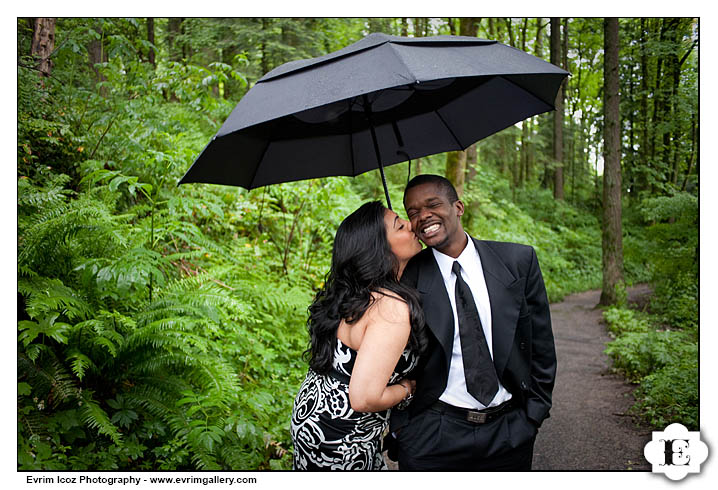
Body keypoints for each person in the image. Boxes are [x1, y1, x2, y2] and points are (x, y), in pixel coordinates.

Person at [389, 174, 556, 471]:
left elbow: (541, 345)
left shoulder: (518, 261)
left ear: (458, 207)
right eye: (412, 212)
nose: (423, 216)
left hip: (509, 431)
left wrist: (534, 414)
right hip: (433, 435)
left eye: (432, 204)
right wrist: (404, 429)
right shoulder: (407, 278)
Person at [291, 201, 427, 470]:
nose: (412, 226)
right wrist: (407, 389)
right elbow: (364, 398)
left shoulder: (357, 292)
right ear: (379, 249)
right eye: (400, 226)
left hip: (312, 413)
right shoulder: (390, 308)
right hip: (340, 434)